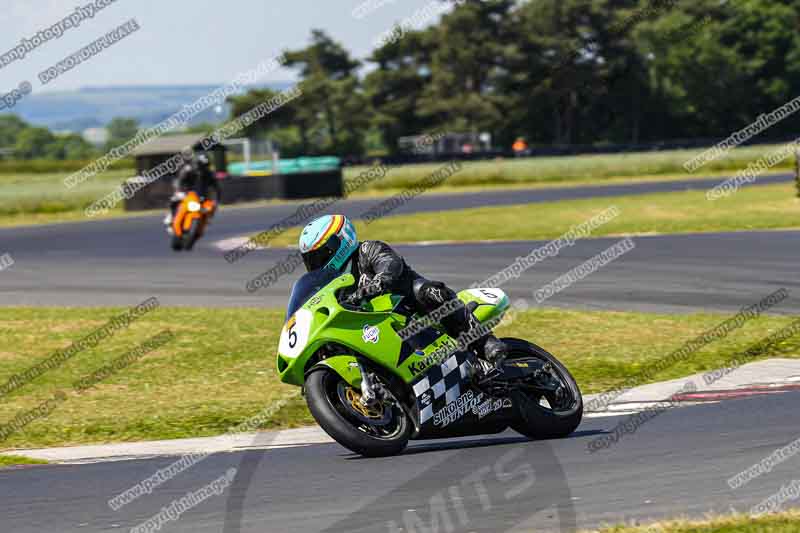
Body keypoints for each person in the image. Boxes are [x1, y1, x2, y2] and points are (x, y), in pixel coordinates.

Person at [297, 214, 508, 367]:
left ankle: (483, 342)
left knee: (430, 292)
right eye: (311, 259)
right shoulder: (330, 284)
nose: (317, 264)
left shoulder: (368, 249)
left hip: (408, 307)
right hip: (376, 329)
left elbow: (390, 265)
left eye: (321, 255)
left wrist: (378, 283)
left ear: (341, 242)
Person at [164, 153, 221, 231]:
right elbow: (179, 180)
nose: (202, 168)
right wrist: (179, 190)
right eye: (201, 165)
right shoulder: (188, 169)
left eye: (205, 166)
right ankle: (170, 216)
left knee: (212, 205)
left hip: (201, 194)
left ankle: (208, 218)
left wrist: (216, 200)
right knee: (174, 199)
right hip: (186, 191)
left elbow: (216, 188)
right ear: (197, 163)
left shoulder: (209, 174)